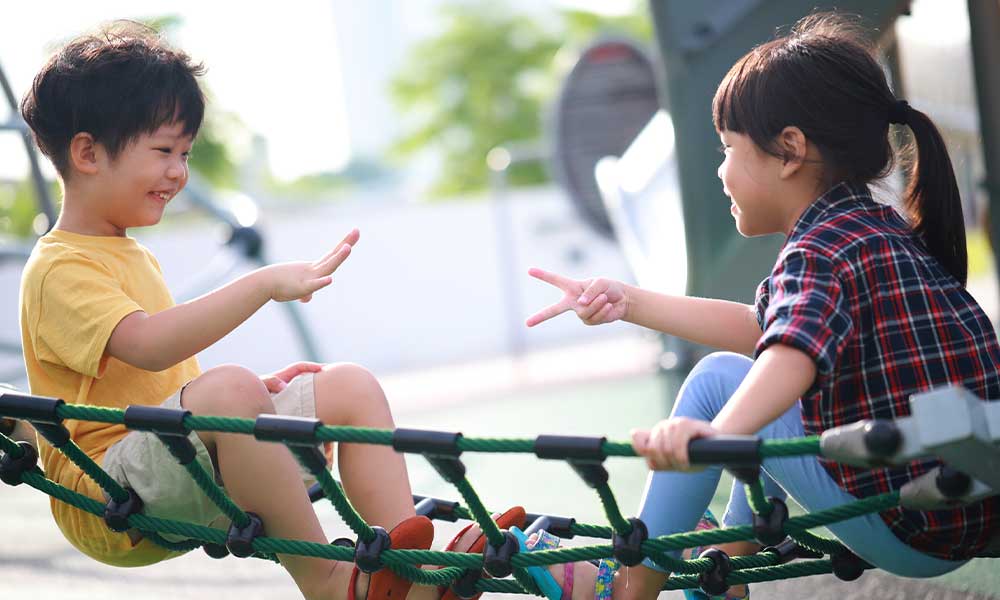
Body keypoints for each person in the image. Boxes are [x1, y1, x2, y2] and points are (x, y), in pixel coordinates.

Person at [17, 23, 524, 600]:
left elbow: (155, 377)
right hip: (111, 490)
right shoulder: (61, 267)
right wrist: (260, 287)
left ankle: (407, 567)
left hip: (169, 458)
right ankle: (327, 582)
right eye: (163, 151)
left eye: (184, 153)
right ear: (86, 152)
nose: (179, 171)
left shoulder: (128, 253)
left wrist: (251, 393)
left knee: (348, 387)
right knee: (230, 389)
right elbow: (151, 344)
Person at [521, 12, 1000, 600]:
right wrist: (629, 300)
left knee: (722, 379)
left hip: (910, 524)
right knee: (758, 382)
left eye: (727, 148)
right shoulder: (875, 230)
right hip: (971, 510)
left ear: (790, 150)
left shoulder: (819, 251)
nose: (720, 170)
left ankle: (629, 583)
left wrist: (713, 437)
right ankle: (724, 560)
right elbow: (766, 332)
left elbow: (787, 355)